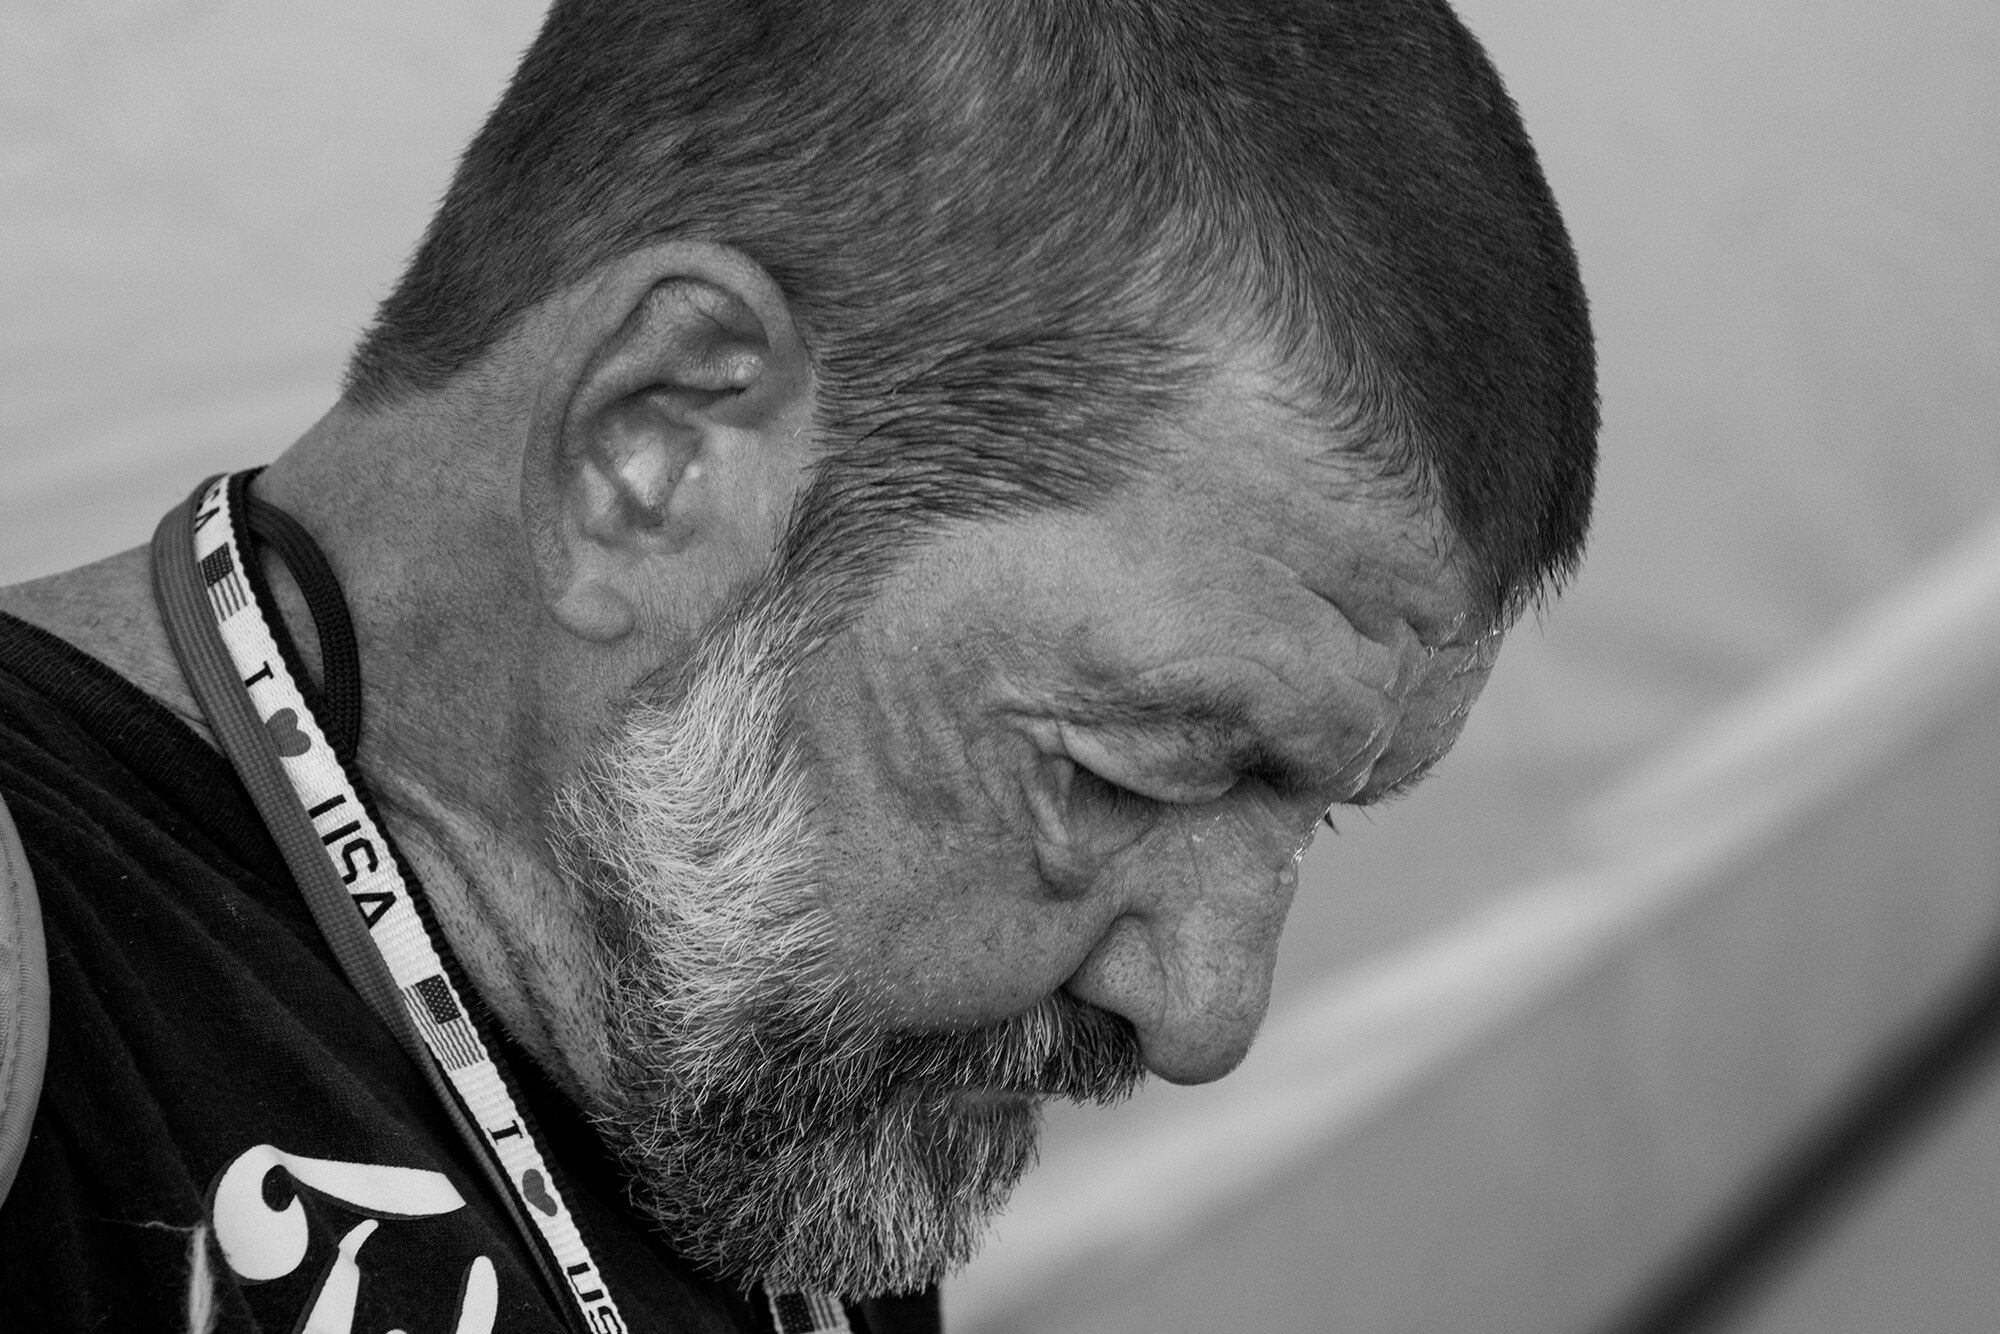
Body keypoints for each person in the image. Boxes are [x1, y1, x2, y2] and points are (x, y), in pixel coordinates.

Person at [0, 0, 1596, 1330]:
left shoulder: (759, 1084)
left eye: (1312, 813)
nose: (1207, 1010)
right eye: (1134, 767)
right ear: (659, 446)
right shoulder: (43, 957)